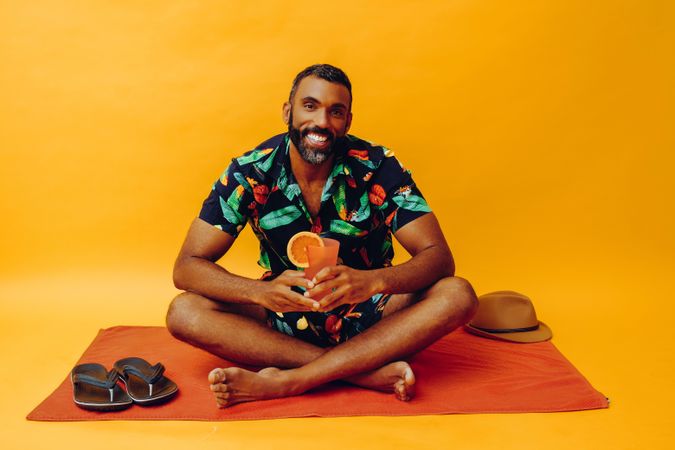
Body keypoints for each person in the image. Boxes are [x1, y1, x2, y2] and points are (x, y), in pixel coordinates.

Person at [166, 64, 478, 408]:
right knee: (184, 312)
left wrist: (372, 282)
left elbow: (438, 257)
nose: (322, 122)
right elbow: (187, 267)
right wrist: (261, 292)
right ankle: (359, 372)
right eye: (310, 106)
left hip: (372, 313)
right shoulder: (250, 172)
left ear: (347, 121)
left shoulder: (378, 166)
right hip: (283, 314)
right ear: (288, 111)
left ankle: (292, 380)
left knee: (457, 294)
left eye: (336, 111)